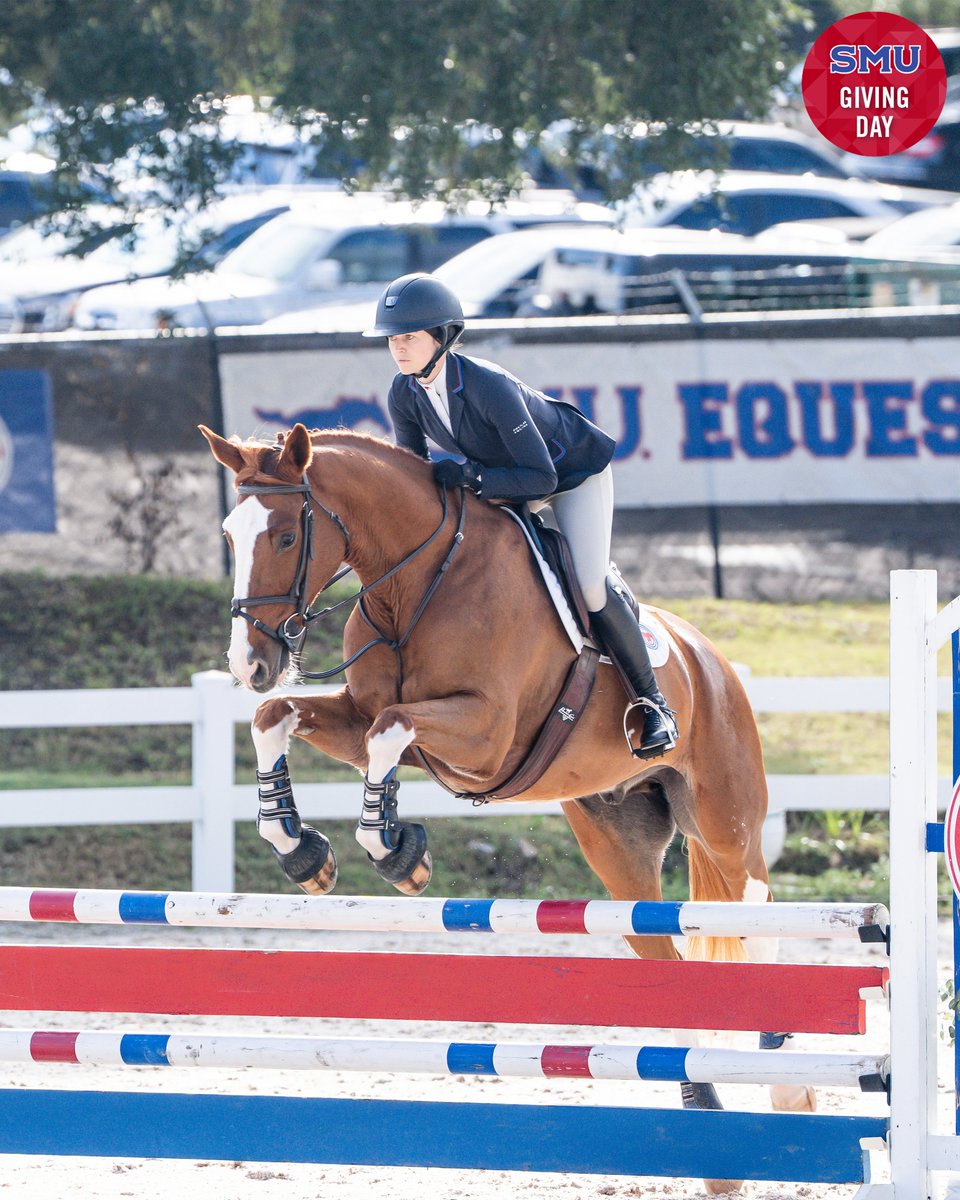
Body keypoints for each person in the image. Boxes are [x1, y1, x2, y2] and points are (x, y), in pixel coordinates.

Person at [364, 272, 678, 758]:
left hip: (569, 476)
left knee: (590, 583)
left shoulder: (488, 387)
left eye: (409, 337)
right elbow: (415, 474)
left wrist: (471, 478)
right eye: (392, 339)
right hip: (505, 480)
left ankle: (653, 704)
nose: (398, 348)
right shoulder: (404, 394)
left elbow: (540, 478)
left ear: (442, 336)